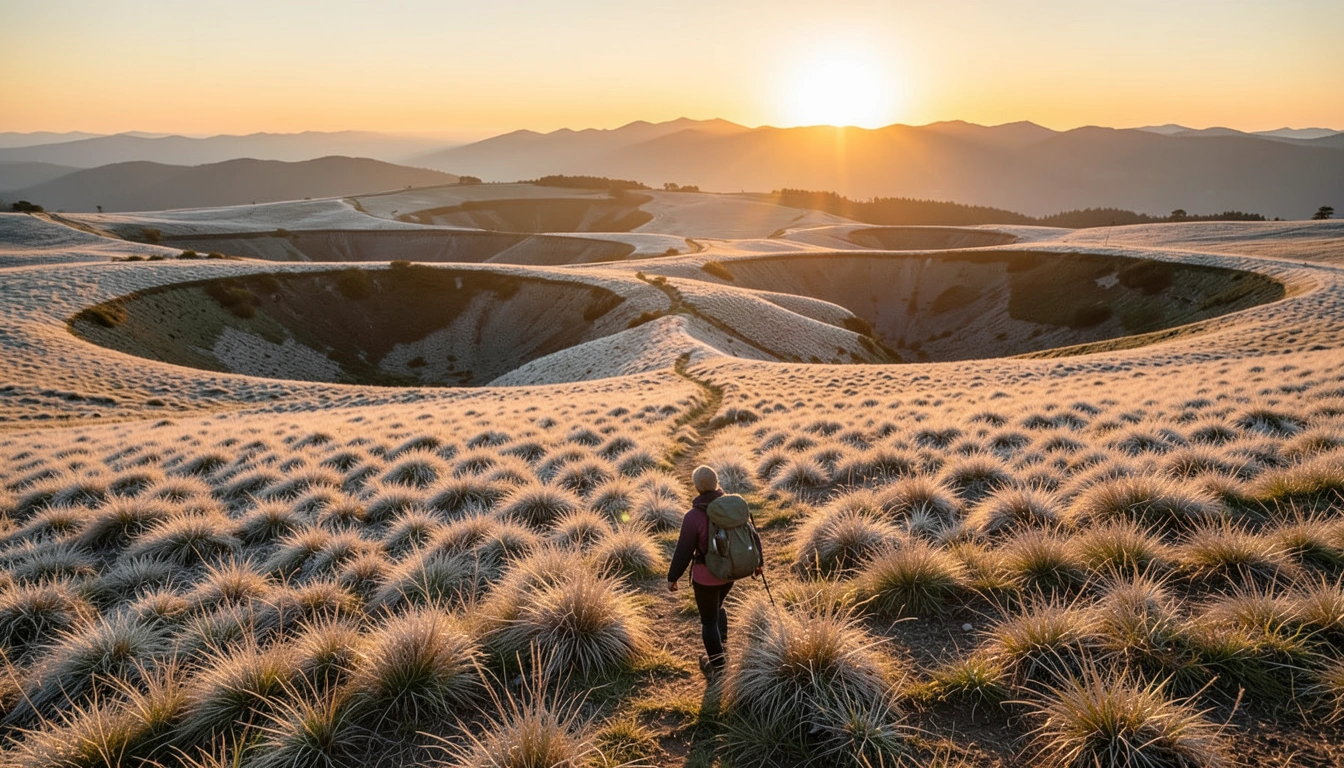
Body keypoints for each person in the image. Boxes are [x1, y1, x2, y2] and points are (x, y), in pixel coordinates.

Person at [667, 465, 762, 678]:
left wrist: (673, 578)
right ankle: (722, 650)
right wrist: (759, 562)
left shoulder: (693, 516)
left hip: (706, 578)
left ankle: (718, 670)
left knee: (708, 622)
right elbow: (752, 534)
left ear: (697, 486)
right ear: (716, 483)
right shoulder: (733, 507)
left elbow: (683, 551)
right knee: (718, 608)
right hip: (731, 573)